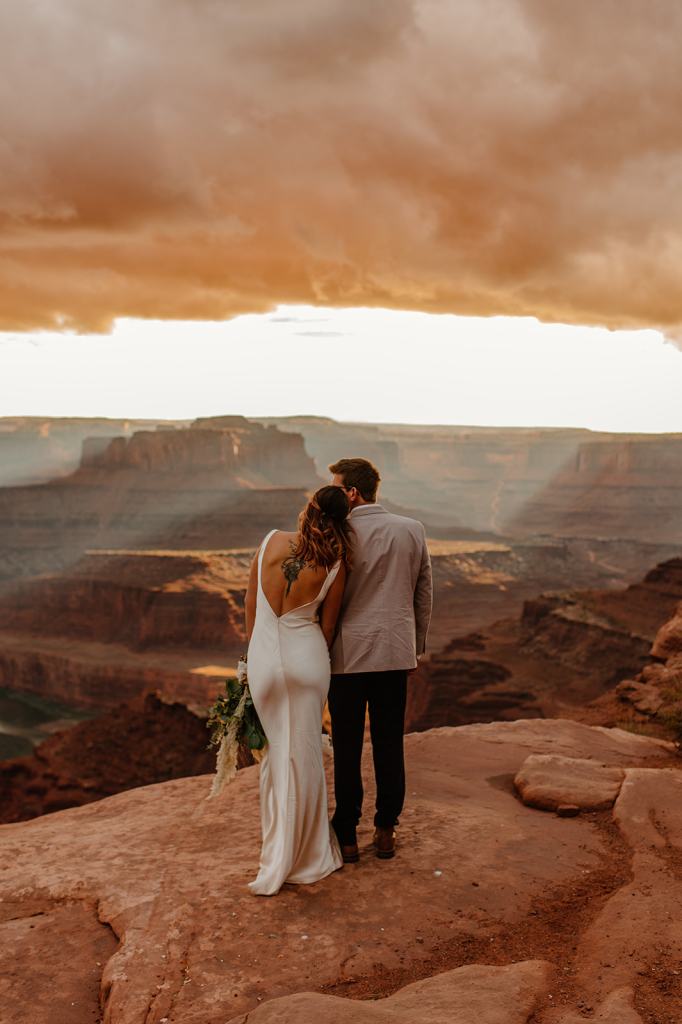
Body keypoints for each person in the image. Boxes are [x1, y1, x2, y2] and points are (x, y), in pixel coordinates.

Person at [245, 485, 353, 896]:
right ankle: (307, 856)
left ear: (308, 508)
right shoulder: (336, 562)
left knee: (276, 755)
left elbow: (250, 605)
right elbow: (328, 626)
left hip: (263, 659)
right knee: (304, 753)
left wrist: (254, 657)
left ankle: (277, 851)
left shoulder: (270, 540)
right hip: (307, 657)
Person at [328, 457, 432, 862]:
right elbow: (423, 593)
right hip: (393, 653)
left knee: (348, 746)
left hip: (346, 659)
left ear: (352, 492)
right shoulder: (412, 529)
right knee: (390, 744)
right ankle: (386, 828)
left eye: (337, 488)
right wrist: (414, 646)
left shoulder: (337, 532)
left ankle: (348, 835)